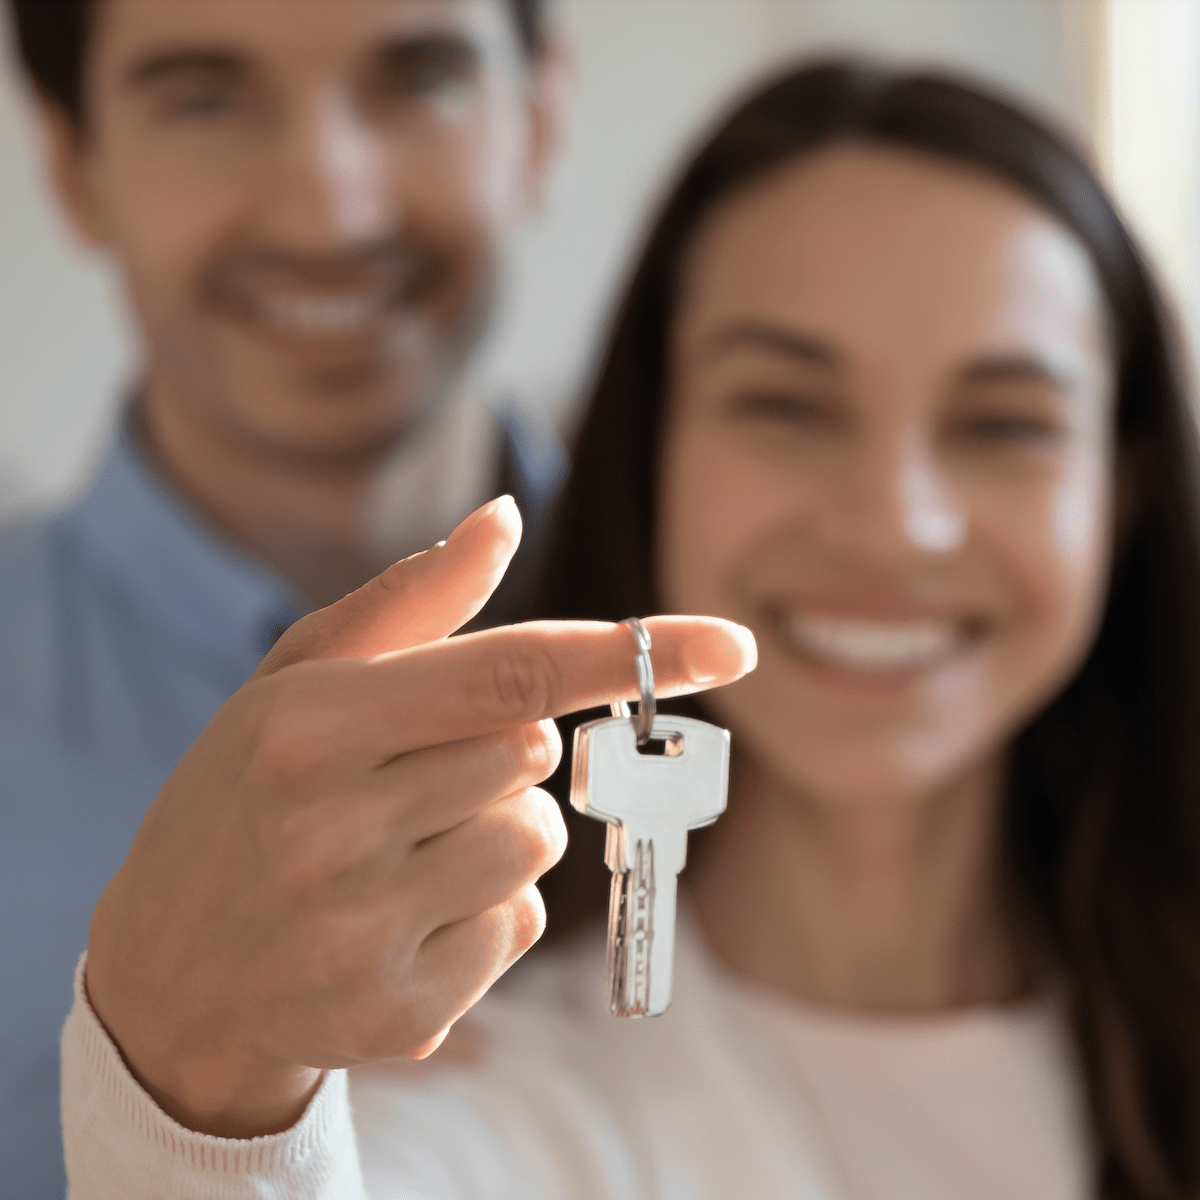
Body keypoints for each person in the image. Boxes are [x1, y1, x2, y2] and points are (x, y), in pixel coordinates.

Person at [60, 59, 1200, 1200]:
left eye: (1007, 423)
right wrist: (198, 1105)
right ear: (651, 451)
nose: (894, 521)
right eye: (785, 405)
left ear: (1125, 486)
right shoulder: (466, 1086)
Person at [0, 0, 569, 1193]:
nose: (331, 210)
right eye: (205, 98)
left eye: (416, 81)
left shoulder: (804, 666)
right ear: (72, 161)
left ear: (540, 119)